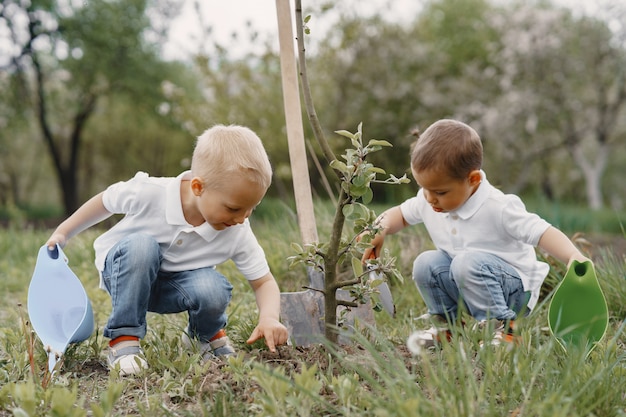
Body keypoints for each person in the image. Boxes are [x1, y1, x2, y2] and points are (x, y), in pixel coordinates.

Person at [46, 124, 289, 375]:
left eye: (251, 208)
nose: (242, 217)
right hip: (126, 273)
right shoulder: (151, 193)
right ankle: (124, 340)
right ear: (198, 187)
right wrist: (64, 232)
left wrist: (269, 317)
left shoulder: (237, 229)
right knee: (142, 247)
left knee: (213, 287)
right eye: (233, 208)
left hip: (176, 288)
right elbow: (106, 201)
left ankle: (202, 337)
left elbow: (263, 282)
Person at [362, 119, 588, 349]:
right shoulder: (429, 200)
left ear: (473, 179)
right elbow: (400, 215)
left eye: (440, 191)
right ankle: (447, 328)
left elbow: (541, 232)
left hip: (512, 292)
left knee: (466, 262)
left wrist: (573, 256)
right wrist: (378, 229)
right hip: (467, 282)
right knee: (425, 263)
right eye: (424, 189)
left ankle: (507, 332)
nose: (429, 199)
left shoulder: (498, 207)